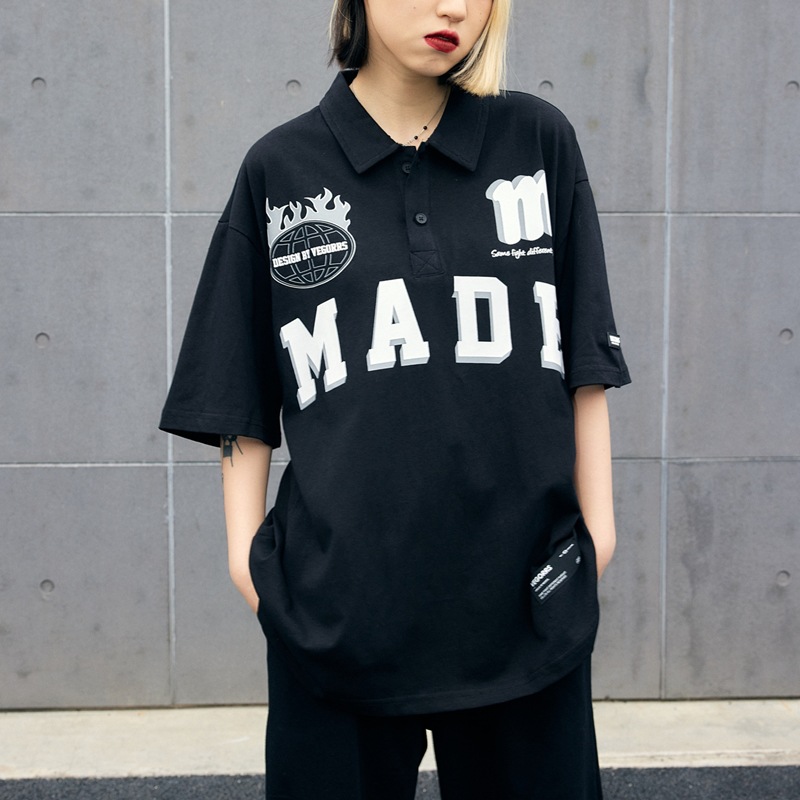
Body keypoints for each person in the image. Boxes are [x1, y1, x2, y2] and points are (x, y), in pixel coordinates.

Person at [160, 0, 630, 797]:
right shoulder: (281, 169)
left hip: (524, 608)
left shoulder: (537, 142)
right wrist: (251, 568)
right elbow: (236, 393)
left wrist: (597, 538)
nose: (454, 8)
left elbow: (583, 359)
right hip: (338, 619)